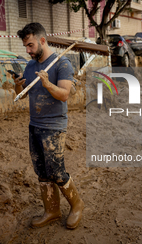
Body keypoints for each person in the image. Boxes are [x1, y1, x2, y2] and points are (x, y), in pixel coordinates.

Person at [13, 23, 84, 229]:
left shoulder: (61, 64)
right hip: (34, 124)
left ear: (42, 40)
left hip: (54, 126)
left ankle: (77, 204)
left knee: (56, 171)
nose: (28, 50)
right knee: (42, 171)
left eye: (31, 45)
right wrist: (18, 84)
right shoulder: (30, 65)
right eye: (26, 46)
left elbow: (64, 95)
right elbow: (23, 93)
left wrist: (46, 83)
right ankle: (52, 210)